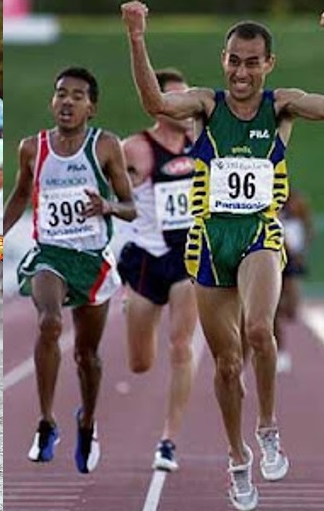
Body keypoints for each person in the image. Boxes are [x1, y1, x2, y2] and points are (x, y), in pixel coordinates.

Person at [121, 3, 324, 509]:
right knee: (226, 366)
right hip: (209, 245)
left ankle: (268, 425)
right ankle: (237, 456)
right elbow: (155, 101)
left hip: (258, 235)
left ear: (269, 64)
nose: (241, 72)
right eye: (233, 61)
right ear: (223, 60)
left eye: (252, 62)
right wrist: (137, 37)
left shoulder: (281, 106)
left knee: (257, 332)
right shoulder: (205, 105)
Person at [4, 67, 136, 474]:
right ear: (52, 101)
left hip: (92, 260)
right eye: (61, 93)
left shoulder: (106, 147)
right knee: (48, 322)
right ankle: (46, 422)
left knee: (87, 355)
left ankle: (87, 421)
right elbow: (21, 195)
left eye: (78, 96)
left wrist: (109, 206)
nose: (67, 101)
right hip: (51, 254)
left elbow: (131, 206)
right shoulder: (32, 148)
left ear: (91, 107)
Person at [117, 68, 197, 472]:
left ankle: (168, 440)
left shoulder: (201, 143)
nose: (186, 108)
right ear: (158, 103)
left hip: (188, 260)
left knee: (181, 346)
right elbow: (118, 196)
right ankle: (132, 304)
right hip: (147, 259)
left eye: (189, 99)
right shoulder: (136, 148)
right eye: (177, 100)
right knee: (140, 363)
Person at [273, 188, 314, 374]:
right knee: (273, 311)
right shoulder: (269, 204)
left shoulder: (298, 204)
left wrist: (302, 251)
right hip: (275, 259)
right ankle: (280, 351)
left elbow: (308, 228)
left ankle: (271, 312)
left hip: (293, 261)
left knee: (292, 311)